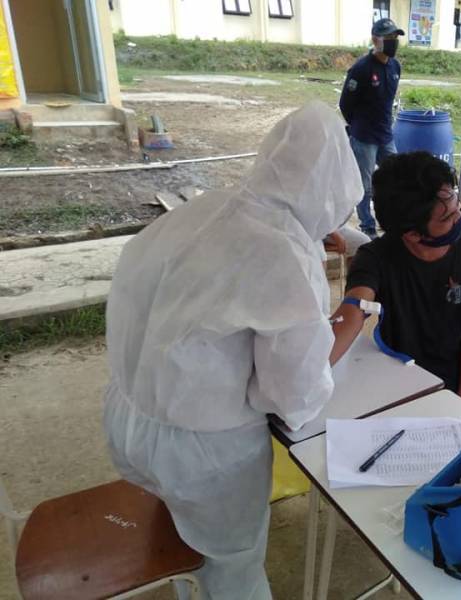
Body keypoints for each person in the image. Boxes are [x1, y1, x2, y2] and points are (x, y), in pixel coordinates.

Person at [102, 101, 362, 600]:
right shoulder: (285, 252)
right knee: (231, 567)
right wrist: (351, 310)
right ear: (336, 188)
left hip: (128, 417)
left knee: (181, 541)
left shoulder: (206, 206)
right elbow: (292, 394)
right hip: (204, 453)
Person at [329, 152, 461, 402]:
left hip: (457, 377)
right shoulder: (375, 257)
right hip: (400, 376)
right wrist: (312, 373)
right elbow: (354, 309)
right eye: (447, 217)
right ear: (412, 234)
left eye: (457, 205)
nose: (459, 217)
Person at [339, 17, 404, 239]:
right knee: (364, 186)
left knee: (396, 176)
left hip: (386, 135)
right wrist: (356, 126)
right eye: (388, 38)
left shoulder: (396, 67)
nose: (393, 41)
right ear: (375, 40)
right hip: (365, 137)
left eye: (395, 37)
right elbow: (345, 104)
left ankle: (392, 220)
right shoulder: (361, 69)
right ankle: (368, 226)